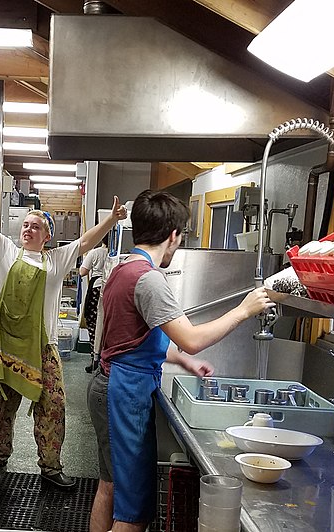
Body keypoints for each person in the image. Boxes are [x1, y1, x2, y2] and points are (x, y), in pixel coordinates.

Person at [87, 189, 274, 531]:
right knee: (133, 514)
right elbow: (191, 339)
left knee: (110, 488)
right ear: (173, 236)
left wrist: (183, 363)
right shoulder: (149, 280)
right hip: (124, 394)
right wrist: (244, 310)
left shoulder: (121, 267)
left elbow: (132, 339)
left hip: (108, 384)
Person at [0, 166, 127, 489]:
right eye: (25, 225)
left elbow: (86, 241)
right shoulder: (5, 252)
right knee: (2, 405)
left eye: (35, 226)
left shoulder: (56, 261)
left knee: (52, 406)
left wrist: (111, 219)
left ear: (47, 236)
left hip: (43, 348)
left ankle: (51, 466)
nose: (27, 229)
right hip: (5, 346)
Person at [79, 233, 109, 373]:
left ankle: (94, 359)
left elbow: (82, 272)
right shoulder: (116, 254)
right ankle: (104, 361)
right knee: (106, 326)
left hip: (96, 288)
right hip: (111, 289)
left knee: (93, 324)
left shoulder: (95, 252)